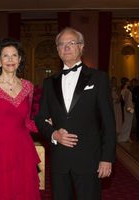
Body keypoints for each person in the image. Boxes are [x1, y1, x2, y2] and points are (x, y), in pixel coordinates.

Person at [35, 27, 116, 200]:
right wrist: (54, 134)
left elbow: (108, 123)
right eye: (61, 44)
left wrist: (107, 158)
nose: (66, 47)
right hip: (59, 161)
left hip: (89, 160)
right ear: (57, 50)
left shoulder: (98, 78)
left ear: (81, 47)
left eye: (71, 43)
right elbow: (40, 118)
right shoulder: (49, 83)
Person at [0, 38, 41, 200]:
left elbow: (27, 122)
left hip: (23, 149)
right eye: (6, 56)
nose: (10, 59)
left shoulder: (28, 87)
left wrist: (47, 126)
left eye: (14, 55)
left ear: (20, 59)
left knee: (23, 192)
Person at [118, 77, 134, 143]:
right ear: (126, 82)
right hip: (129, 107)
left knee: (127, 122)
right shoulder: (126, 91)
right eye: (128, 81)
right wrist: (129, 109)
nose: (129, 82)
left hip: (128, 107)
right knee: (128, 123)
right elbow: (127, 101)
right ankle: (125, 137)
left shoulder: (123, 90)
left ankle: (126, 137)